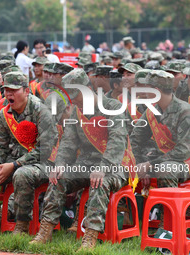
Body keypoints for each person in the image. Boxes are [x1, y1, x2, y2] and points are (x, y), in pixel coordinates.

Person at [30, 69, 129, 252]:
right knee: (57, 178)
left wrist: (104, 167)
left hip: (114, 166)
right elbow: (68, 143)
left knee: (100, 182)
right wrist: (59, 165)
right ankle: (45, 231)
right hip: (85, 165)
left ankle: (90, 236)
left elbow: (118, 140)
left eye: (76, 95)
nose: (73, 100)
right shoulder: (77, 113)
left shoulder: (112, 107)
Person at [0, 71, 55, 239]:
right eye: (6, 90)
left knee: (22, 174)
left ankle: (21, 226)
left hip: (42, 163)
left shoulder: (42, 112)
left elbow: (45, 149)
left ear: (27, 91)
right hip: (10, 163)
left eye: (14, 90)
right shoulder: (3, 114)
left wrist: (14, 165)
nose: (9, 94)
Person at [131, 70, 190, 190]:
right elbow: (134, 140)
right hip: (161, 159)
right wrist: (139, 164)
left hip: (185, 161)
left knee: (165, 169)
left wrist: (149, 164)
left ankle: (169, 206)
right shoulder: (151, 111)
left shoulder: (185, 112)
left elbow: (182, 152)